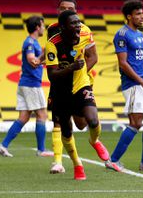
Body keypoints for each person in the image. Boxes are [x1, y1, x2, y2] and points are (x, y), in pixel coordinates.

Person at [45, 10, 110, 180]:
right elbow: (51, 75)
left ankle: (94, 141)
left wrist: (81, 72)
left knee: (93, 120)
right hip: (61, 91)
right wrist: (71, 68)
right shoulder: (53, 44)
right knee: (66, 130)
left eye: (78, 22)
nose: (77, 26)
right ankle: (77, 164)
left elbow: (93, 55)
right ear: (63, 27)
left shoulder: (85, 33)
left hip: (81, 85)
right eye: (73, 23)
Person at [105, 0, 143, 172]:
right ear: (129, 16)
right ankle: (113, 159)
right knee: (136, 122)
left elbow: (139, 62)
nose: (142, 16)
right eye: (138, 14)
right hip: (133, 85)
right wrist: (141, 82)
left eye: (142, 13)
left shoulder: (140, 35)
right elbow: (123, 63)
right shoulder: (122, 35)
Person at [0, 16, 53, 158]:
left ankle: (3, 146)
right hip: (31, 84)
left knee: (24, 117)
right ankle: (41, 150)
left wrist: (46, 55)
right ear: (37, 27)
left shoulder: (33, 42)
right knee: (42, 115)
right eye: (42, 25)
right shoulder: (30, 43)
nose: (44, 28)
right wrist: (44, 57)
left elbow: (36, 60)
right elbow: (32, 61)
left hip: (25, 83)